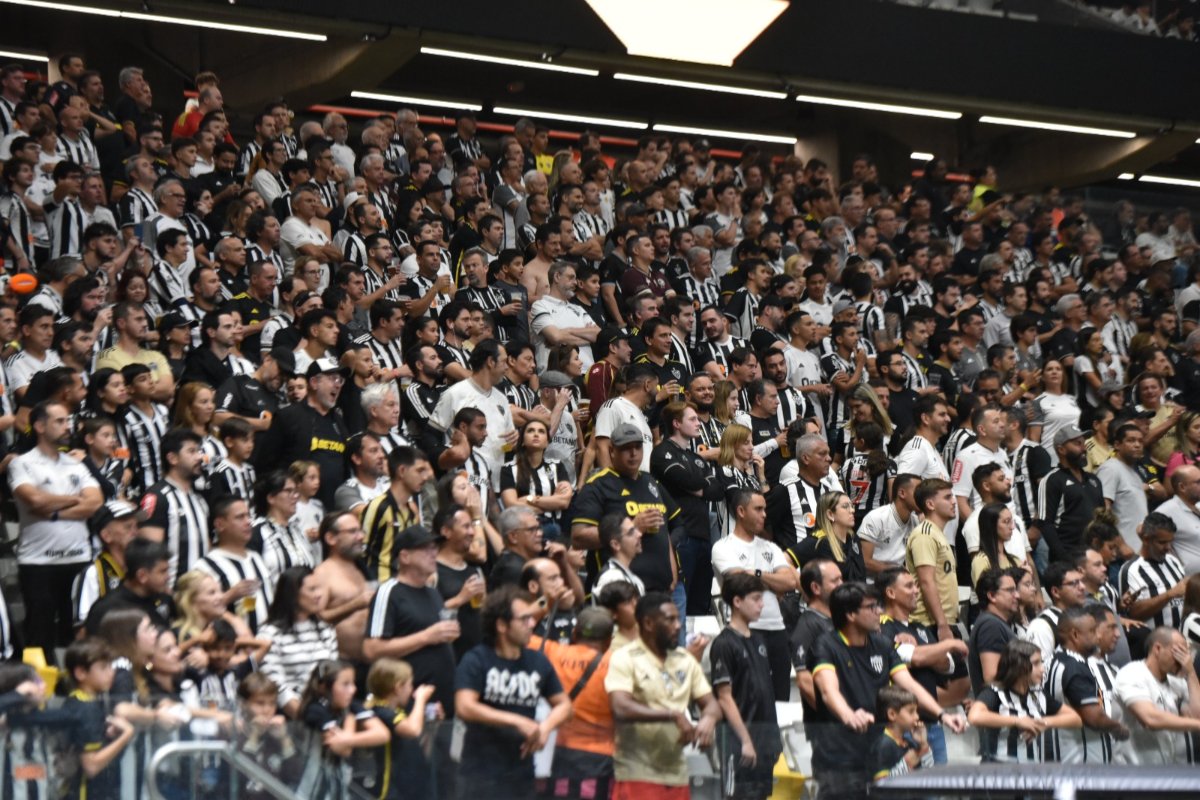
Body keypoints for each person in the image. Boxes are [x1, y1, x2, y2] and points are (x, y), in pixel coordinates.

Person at [809, 583, 966, 798]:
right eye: (871, 607)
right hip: (840, 755)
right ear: (850, 614)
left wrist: (942, 715)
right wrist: (849, 716)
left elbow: (909, 684)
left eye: (878, 606)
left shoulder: (882, 644)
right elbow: (828, 691)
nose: (879, 612)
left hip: (875, 747)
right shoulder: (826, 645)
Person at [454, 584, 571, 800]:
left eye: (531, 618)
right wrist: (516, 721)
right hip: (481, 773)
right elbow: (464, 706)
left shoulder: (537, 661)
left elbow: (564, 705)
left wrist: (545, 728)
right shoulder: (477, 659)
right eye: (524, 619)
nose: (532, 624)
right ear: (501, 625)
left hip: (522, 773)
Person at [605, 591, 722, 800]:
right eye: (670, 620)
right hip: (637, 773)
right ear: (648, 623)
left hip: (677, 774)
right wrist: (672, 715)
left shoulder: (684, 659)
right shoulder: (625, 657)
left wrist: (709, 719)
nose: (678, 625)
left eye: (678, 619)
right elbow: (620, 706)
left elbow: (711, 703)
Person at [9, 400, 103, 652]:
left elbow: (95, 502)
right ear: (40, 426)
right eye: (59, 421)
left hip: (79, 558)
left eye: (68, 421)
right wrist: (75, 498)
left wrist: (52, 512)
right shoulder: (22, 463)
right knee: (40, 635)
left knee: (79, 634)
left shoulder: (76, 464)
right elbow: (35, 500)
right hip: (38, 562)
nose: (67, 426)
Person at [363, 525, 460, 719]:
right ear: (405, 557)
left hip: (440, 702)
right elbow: (371, 650)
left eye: (434, 548)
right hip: (408, 705)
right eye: (425, 549)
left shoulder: (433, 593)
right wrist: (426, 637)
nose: (434, 553)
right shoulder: (389, 592)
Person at [711, 489, 800, 701]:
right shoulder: (723, 547)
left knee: (781, 697)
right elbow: (740, 584)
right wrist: (772, 580)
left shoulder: (771, 547)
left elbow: (790, 582)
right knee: (749, 697)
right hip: (744, 630)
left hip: (777, 629)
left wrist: (756, 573)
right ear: (741, 511)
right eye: (758, 509)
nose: (764, 515)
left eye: (765, 509)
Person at [709, 573, 781, 800]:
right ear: (737, 601)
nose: (762, 605)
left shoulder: (759, 639)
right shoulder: (724, 643)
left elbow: (764, 693)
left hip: (764, 740)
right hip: (739, 743)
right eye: (756, 599)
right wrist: (745, 740)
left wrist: (773, 740)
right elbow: (725, 697)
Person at [651, 401, 722, 613]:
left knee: (700, 603)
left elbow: (717, 490)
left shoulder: (695, 458)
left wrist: (696, 487)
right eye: (692, 419)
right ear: (676, 424)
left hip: (703, 535)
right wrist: (700, 485)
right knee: (679, 600)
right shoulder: (662, 451)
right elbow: (686, 480)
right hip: (680, 535)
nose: (698, 423)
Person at [255, 358, 351, 509]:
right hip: (295, 508)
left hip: (332, 510)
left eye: (340, 380)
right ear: (314, 383)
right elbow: (265, 466)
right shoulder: (288, 416)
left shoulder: (338, 421)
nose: (338, 384)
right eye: (332, 378)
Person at [967, 639, 1082, 763]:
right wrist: (1017, 721)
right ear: (1019, 665)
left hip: (1031, 767)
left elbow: (1076, 719)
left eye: (1041, 662)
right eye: (1036, 663)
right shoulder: (995, 693)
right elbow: (974, 717)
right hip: (998, 767)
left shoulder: (1038, 694)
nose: (1042, 669)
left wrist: (1043, 723)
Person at [1045, 606, 1131, 763]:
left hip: (1062, 755)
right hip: (1081, 761)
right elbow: (1094, 718)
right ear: (1075, 635)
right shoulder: (1075, 667)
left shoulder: (1053, 660)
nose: (1098, 636)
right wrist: (1118, 728)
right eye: (1092, 631)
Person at [294, 658, 389, 800]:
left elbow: (382, 734)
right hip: (309, 787)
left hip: (338, 786)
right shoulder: (315, 709)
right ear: (323, 687)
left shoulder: (350, 706)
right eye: (345, 684)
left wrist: (347, 737)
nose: (353, 689)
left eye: (353, 683)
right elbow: (342, 749)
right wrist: (350, 722)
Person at [258, 566, 339, 717]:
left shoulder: (326, 629)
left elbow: (334, 675)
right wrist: (307, 718)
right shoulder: (270, 634)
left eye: (319, 588)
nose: (319, 595)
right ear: (293, 594)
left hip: (326, 710)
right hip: (290, 715)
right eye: (312, 589)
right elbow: (276, 685)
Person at [62, 638, 137, 800]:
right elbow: (91, 765)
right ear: (81, 673)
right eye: (103, 667)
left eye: (111, 665)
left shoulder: (77, 701)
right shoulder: (87, 708)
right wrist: (126, 735)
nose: (111, 672)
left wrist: (107, 735)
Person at [1114, 625, 1200, 764]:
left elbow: (1196, 716)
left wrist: (1190, 673)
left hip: (1169, 767)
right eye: (1178, 652)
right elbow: (1150, 719)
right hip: (1134, 769)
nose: (1183, 659)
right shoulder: (1131, 674)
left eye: (1186, 653)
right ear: (1157, 649)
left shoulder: (1177, 682)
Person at [139, 427, 211, 587]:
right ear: (172, 458)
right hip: (171, 591)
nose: (199, 457)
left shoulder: (199, 499)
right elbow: (148, 553)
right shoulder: (155, 497)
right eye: (191, 451)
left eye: (199, 451)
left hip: (200, 592)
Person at [196, 496, 273, 634]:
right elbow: (196, 611)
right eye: (240, 517)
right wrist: (229, 596)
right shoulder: (206, 566)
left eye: (248, 516)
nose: (248, 522)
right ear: (220, 524)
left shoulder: (256, 558)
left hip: (270, 641)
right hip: (234, 644)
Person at [362, 447, 434, 582]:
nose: (425, 477)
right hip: (378, 584)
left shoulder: (411, 512)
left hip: (402, 584)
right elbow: (361, 550)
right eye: (419, 471)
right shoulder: (378, 507)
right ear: (401, 471)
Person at [1039, 424, 1105, 563]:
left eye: (1083, 443)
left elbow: (1102, 519)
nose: (1084, 448)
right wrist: (1064, 558)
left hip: (1094, 557)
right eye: (1077, 444)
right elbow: (1046, 524)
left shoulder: (1094, 480)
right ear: (1061, 449)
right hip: (1067, 558)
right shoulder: (1052, 480)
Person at [906, 479, 959, 642]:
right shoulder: (925, 534)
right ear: (930, 504)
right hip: (929, 624)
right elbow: (926, 581)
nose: (954, 502)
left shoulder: (936, 533)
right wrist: (942, 625)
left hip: (943, 621)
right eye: (947, 497)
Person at [1119, 511, 1187, 630]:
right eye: (1162, 542)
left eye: (1170, 541)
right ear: (1146, 539)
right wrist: (1170, 594)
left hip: (1184, 636)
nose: (1168, 547)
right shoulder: (1131, 570)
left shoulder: (1173, 561)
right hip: (1155, 638)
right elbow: (1131, 613)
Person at [868, 686, 933, 783]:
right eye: (911, 712)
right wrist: (907, 763)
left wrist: (923, 744)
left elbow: (929, 773)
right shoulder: (883, 745)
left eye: (916, 711)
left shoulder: (911, 742)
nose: (917, 716)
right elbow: (881, 784)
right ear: (892, 714)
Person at [859, 473, 921, 575]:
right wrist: (899, 572)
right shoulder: (876, 517)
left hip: (901, 580)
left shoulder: (916, 521)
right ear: (902, 493)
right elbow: (864, 561)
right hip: (873, 582)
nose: (922, 496)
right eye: (918, 491)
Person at [593, 512, 645, 596]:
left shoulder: (630, 577)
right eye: (631, 532)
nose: (639, 534)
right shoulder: (611, 577)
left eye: (636, 529)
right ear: (615, 544)